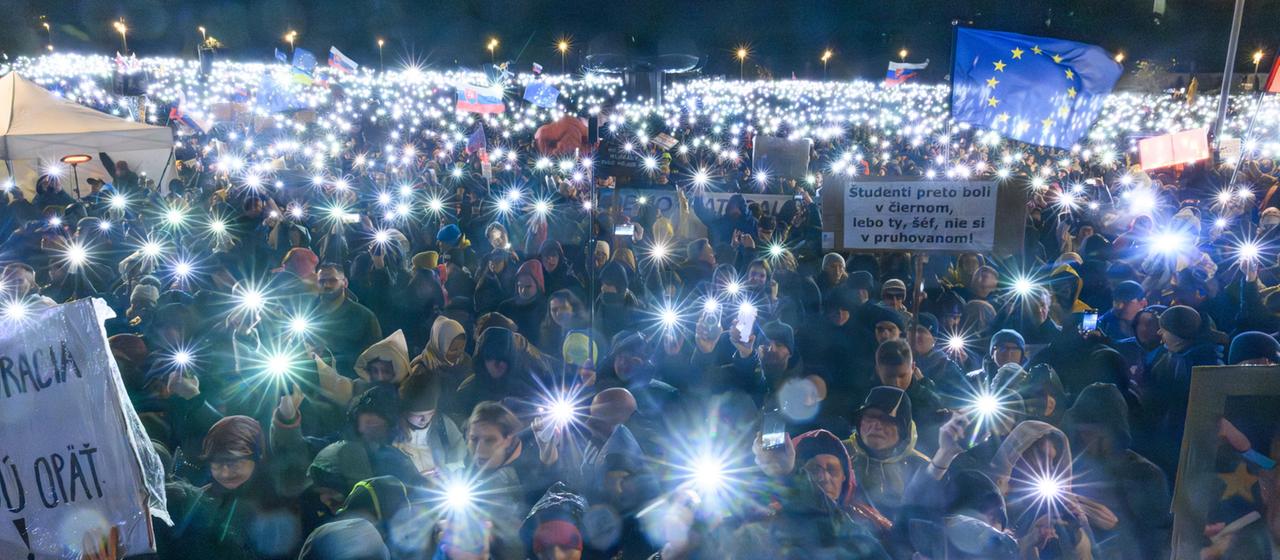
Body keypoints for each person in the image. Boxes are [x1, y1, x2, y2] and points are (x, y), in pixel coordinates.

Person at [844, 386, 929, 520]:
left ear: (903, 429)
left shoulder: (920, 466)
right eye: (871, 417)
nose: (877, 425)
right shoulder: (838, 454)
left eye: (888, 419)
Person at [316, 263, 383, 377]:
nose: (326, 285)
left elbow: (375, 357)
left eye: (333, 280)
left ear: (345, 283)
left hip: (348, 382)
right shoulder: (307, 312)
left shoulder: (364, 316)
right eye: (322, 281)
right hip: (312, 381)